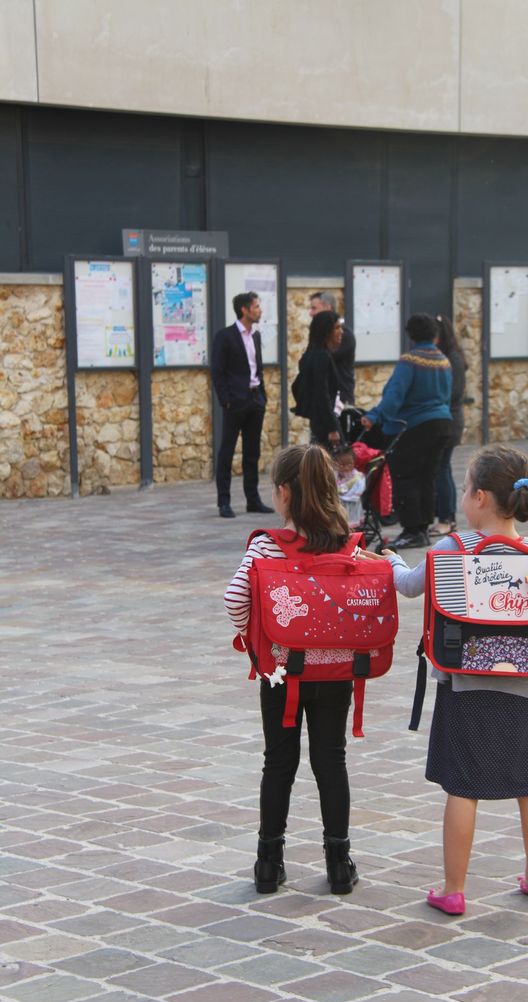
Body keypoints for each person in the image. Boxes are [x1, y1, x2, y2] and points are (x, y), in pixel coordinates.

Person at [362, 446, 528, 915]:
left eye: (467, 488)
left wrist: (389, 560)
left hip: (467, 681)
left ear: (480, 498)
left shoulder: (453, 548)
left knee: (463, 787)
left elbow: (409, 585)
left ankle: (454, 888)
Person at [224, 444, 360, 895]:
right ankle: (339, 863)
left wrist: (258, 638)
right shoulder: (347, 542)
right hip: (336, 672)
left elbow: (234, 600)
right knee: (331, 760)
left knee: (278, 763)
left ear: (283, 493)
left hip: (281, 671)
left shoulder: (267, 545)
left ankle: (269, 862)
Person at [359, 313, 452, 550]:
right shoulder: (443, 360)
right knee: (427, 476)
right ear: (434, 334)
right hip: (442, 423)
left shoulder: (410, 360)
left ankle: (411, 529)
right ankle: (423, 527)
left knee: (405, 476)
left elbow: (394, 395)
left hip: (416, 425)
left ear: (410, 334)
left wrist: (374, 416)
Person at [211, 291, 272, 518]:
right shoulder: (225, 336)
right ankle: (224, 502)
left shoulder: (255, 336)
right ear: (245, 310)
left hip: (255, 400)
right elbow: (217, 371)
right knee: (227, 451)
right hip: (235, 402)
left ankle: (253, 499)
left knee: (252, 452)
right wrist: (226, 400)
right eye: (256, 306)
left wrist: (262, 395)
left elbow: (258, 368)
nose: (259, 310)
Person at [430, 314, 467, 536]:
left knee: (441, 469)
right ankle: (448, 517)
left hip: (449, 421)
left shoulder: (452, 359)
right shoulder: (446, 356)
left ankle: (446, 518)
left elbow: (454, 392)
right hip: (446, 419)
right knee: (443, 468)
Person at [292, 311, 343, 448]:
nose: (341, 332)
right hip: (324, 424)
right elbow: (322, 394)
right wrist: (332, 428)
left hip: (320, 421)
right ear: (326, 331)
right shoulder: (321, 356)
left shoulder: (313, 353)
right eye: (337, 328)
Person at [309, 291, 356, 406]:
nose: (310, 313)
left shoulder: (344, 335)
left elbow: (319, 360)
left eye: (314, 308)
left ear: (328, 308)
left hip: (339, 402)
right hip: (322, 401)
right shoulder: (319, 336)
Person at [333, 446, 366, 527]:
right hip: (337, 502)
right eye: (342, 465)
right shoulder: (335, 474)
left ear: (354, 462)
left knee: (350, 524)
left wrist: (342, 491)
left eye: (349, 464)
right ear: (336, 464)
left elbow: (359, 489)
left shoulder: (357, 476)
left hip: (350, 503)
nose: (346, 467)